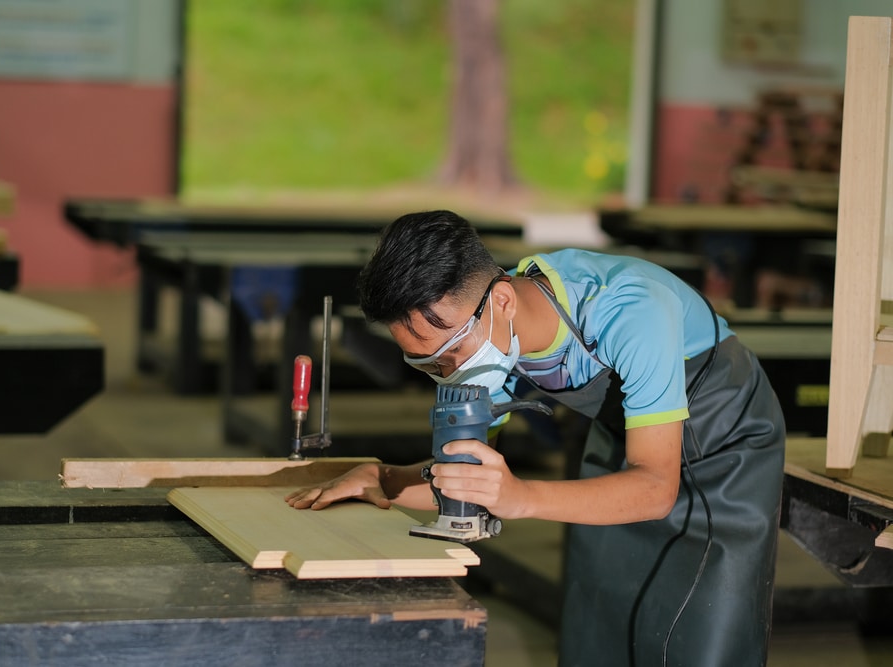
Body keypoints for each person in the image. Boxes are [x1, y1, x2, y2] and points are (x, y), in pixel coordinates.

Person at [285, 210, 786, 667]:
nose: (450, 373)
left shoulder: (631, 311)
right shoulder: (494, 336)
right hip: (622, 439)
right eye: (430, 364)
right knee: (599, 629)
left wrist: (522, 498)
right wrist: (385, 480)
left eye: (451, 354)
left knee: (700, 638)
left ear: (501, 300)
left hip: (724, 447)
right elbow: (469, 476)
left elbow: (655, 489)